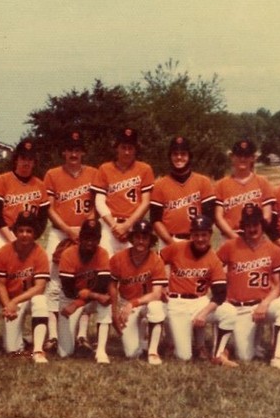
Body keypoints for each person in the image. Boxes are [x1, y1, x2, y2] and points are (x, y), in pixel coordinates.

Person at [0, 138, 50, 353]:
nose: (26, 163)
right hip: (4, 237)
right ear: (16, 159)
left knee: (27, 285)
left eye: (30, 159)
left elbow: (43, 219)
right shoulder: (2, 180)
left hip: (28, 240)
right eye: (22, 158)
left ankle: (21, 329)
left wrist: (29, 239)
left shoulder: (40, 185)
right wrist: (11, 238)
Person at [213, 204, 280, 369]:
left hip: (263, 304)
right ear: (243, 226)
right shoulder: (231, 245)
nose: (252, 228)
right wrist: (220, 291)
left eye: (255, 224)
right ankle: (226, 349)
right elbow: (212, 268)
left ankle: (277, 357)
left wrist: (264, 304)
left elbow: (279, 285)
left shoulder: (274, 249)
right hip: (239, 307)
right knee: (245, 356)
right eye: (248, 224)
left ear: (262, 224)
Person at [43, 130, 97, 352]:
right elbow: (49, 207)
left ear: (83, 152)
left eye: (77, 149)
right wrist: (67, 229)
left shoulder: (94, 173)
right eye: (70, 149)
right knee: (53, 282)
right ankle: (53, 335)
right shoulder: (52, 174)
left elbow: (96, 204)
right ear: (63, 152)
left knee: (86, 279)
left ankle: (82, 335)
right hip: (59, 232)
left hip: (86, 234)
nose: (73, 153)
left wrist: (85, 229)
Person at [159, 215, 227, 362]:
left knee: (229, 312)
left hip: (199, 301)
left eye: (204, 234)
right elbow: (156, 260)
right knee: (184, 356)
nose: (200, 238)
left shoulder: (214, 258)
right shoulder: (178, 247)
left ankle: (217, 352)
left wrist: (203, 313)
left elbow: (220, 294)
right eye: (196, 234)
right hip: (177, 303)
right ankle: (176, 343)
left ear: (210, 234)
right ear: (191, 235)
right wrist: (162, 283)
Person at [0, 210, 51, 363]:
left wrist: (14, 301)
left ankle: (38, 350)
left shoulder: (40, 253)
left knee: (41, 301)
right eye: (21, 230)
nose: (24, 234)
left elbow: (39, 287)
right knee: (12, 349)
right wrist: (8, 305)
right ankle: (28, 339)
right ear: (15, 231)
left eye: (29, 231)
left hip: (27, 298)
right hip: (11, 301)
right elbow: (0, 284)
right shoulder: (3, 252)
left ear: (35, 233)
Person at [104, 220, 167, 365]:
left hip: (146, 303)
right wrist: (114, 313)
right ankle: (143, 339)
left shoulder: (156, 260)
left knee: (156, 307)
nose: (141, 241)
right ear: (131, 238)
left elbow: (157, 294)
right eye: (137, 237)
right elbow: (112, 287)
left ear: (150, 240)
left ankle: (153, 352)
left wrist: (133, 303)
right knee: (132, 353)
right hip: (126, 303)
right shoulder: (118, 258)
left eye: (145, 238)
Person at [91, 127, 154, 256]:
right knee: (105, 264)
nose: (126, 152)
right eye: (123, 147)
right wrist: (114, 226)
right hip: (109, 225)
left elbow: (146, 202)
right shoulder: (105, 168)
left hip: (133, 225)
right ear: (117, 148)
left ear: (136, 149)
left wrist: (126, 226)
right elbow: (99, 201)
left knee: (132, 268)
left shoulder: (145, 169)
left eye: (130, 148)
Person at [57, 218, 111, 359]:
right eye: (86, 237)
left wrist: (80, 302)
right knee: (65, 352)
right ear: (80, 238)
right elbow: (69, 289)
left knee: (105, 304)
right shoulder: (68, 254)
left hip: (83, 300)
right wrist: (92, 296)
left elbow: (103, 285)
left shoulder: (103, 253)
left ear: (99, 240)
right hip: (70, 298)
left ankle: (101, 351)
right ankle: (74, 339)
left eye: (93, 238)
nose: (89, 242)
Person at [150, 136, 216, 246]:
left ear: (189, 156)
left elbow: (209, 217)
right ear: (170, 157)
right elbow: (155, 220)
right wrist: (171, 243)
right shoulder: (159, 184)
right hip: (168, 241)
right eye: (175, 154)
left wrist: (197, 240)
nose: (179, 157)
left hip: (196, 241)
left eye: (183, 154)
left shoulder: (203, 182)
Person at [213, 139, 275, 240]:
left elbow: (267, 215)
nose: (242, 159)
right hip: (230, 237)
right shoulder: (221, 184)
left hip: (257, 236)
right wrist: (234, 237)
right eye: (238, 155)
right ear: (232, 157)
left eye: (246, 156)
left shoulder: (262, 181)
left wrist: (255, 233)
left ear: (253, 158)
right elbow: (218, 217)